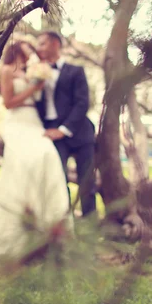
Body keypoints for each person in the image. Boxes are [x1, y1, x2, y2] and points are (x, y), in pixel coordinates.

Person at [0, 41, 73, 258]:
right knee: (25, 165)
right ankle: (17, 227)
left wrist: (39, 83)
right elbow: (8, 102)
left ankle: (50, 227)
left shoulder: (30, 72)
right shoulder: (7, 70)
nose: (32, 50)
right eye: (28, 47)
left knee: (48, 156)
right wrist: (34, 88)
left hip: (35, 121)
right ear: (17, 50)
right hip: (17, 122)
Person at [35, 31, 97, 217]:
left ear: (55, 44)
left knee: (87, 183)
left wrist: (63, 130)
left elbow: (82, 103)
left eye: (43, 43)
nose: (39, 48)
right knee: (59, 182)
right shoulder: (36, 72)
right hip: (52, 134)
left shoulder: (76, 71)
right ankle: (65, 226)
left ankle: (90, 229)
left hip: (80, 133)